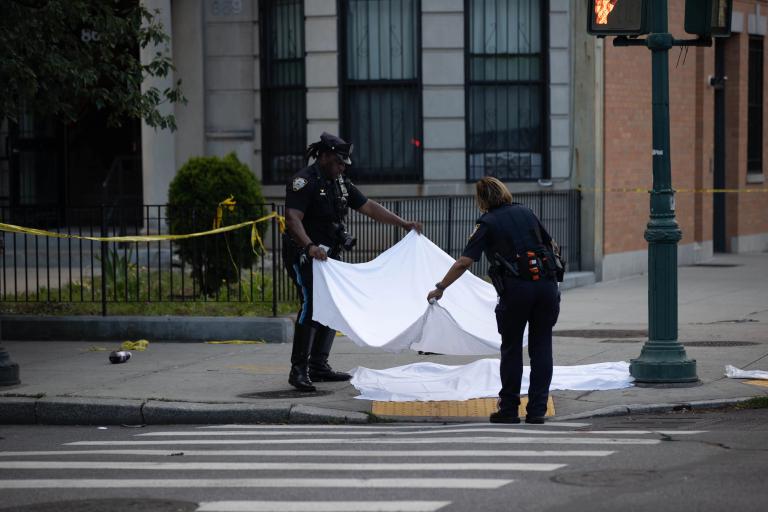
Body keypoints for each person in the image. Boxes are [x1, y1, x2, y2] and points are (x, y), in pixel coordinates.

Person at [283, 132, 422, 392]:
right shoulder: (304, 181)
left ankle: (319, 366)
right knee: (311, 304)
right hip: (304, 254)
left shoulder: (340, 182)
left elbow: (368, 207)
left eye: (344, 163)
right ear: (323, 156)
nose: (342, 167)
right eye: (338, 162)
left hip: (329, 257)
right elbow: (292, 218)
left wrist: (403, 224)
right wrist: (309, 246)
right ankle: (298, 370)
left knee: (332, 306)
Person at [427, 176, 561, 424]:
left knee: (511, 350)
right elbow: (551, 245)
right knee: (541, 347)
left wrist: (441, 287)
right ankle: (537, 410)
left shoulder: (487, 223)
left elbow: (464, 262)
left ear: (482, 199)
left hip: (516, 291)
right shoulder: (527, 212)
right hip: (546, 287)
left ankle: (509, 409)